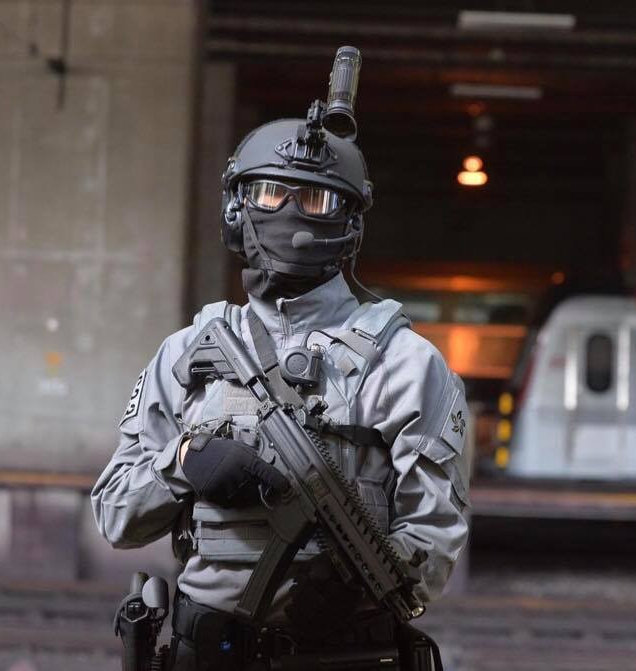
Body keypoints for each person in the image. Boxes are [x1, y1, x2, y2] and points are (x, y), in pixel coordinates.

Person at [91, 71, 471, 670]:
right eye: (270, 193)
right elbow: (116, 516)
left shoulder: (405, 363)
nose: (292, 213)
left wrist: (360, 589)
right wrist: (184, 463)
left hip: (345, 654)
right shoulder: (188, 353)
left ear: (349, 222)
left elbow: (437, 531)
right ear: (238, 207)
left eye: (316, 199)